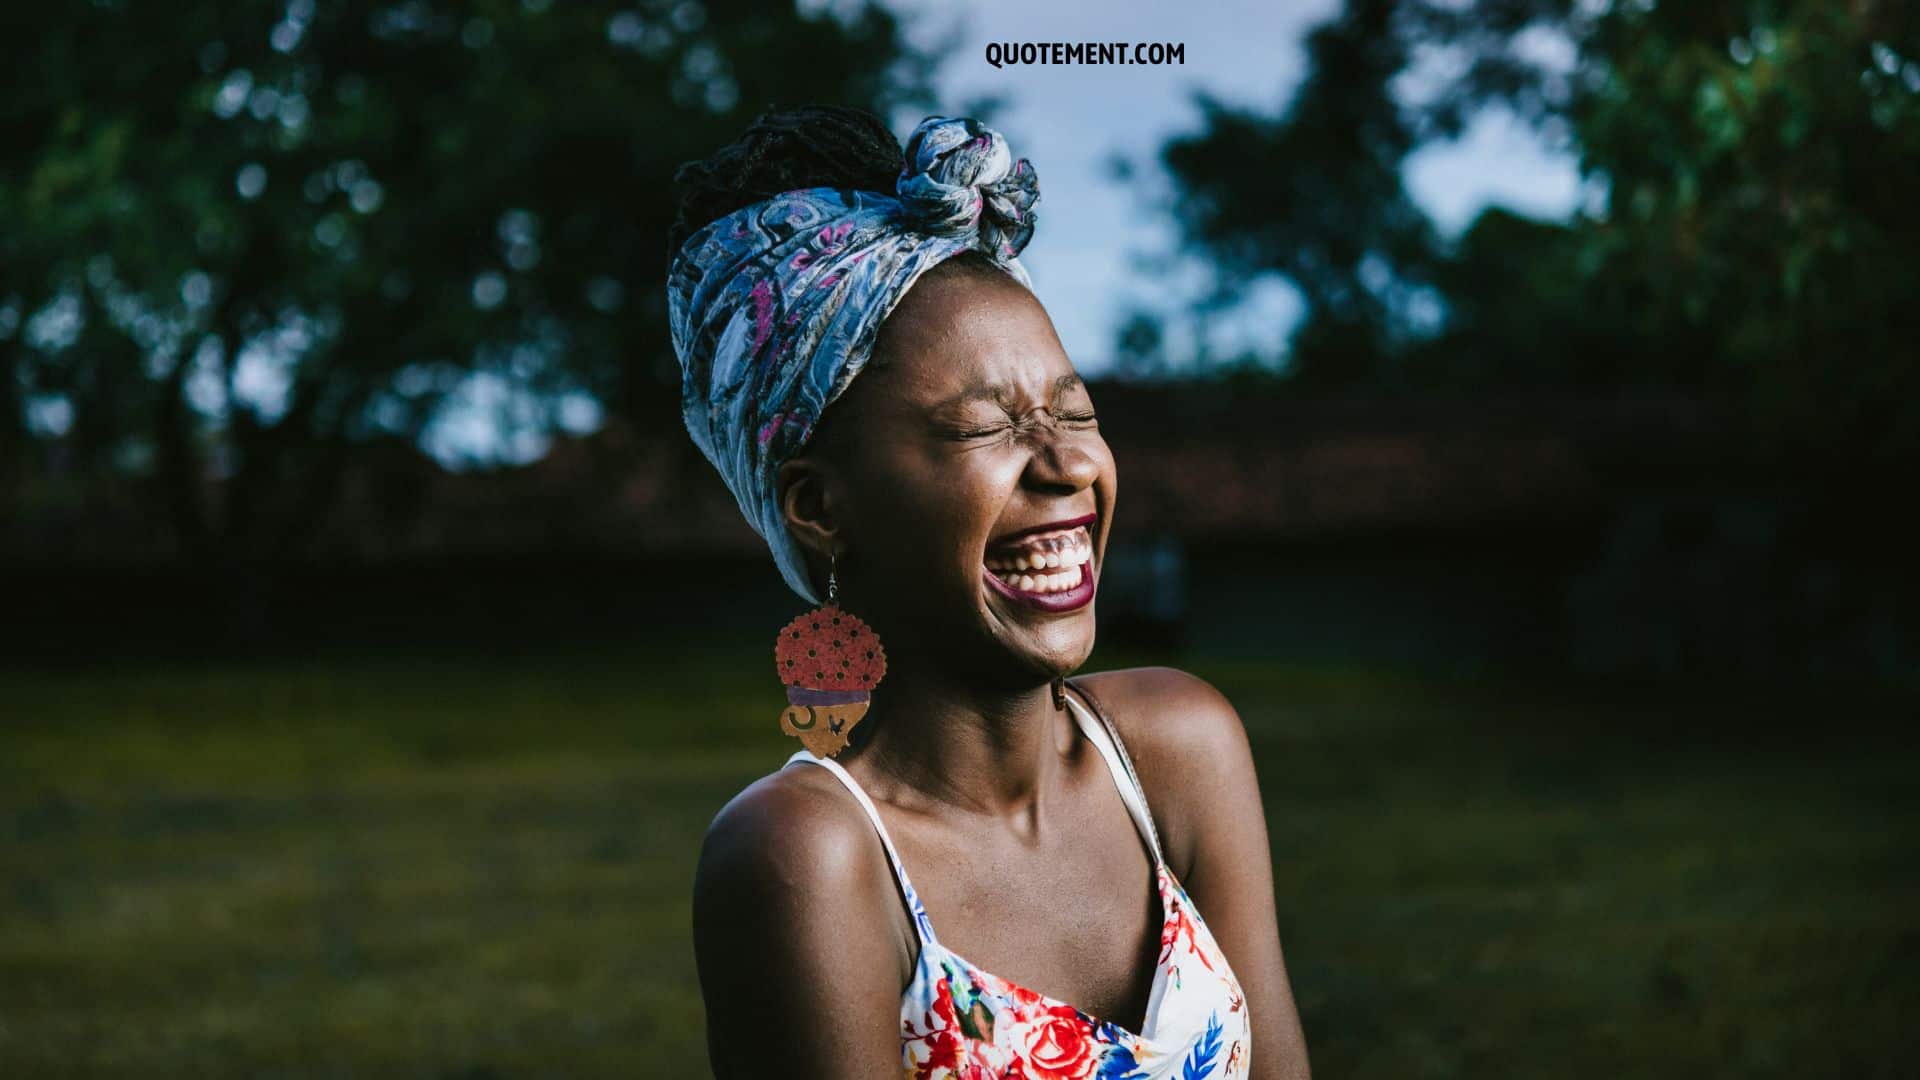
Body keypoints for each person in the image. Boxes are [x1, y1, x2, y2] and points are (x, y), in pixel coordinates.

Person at [670, 104, 1310, 1079]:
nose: (1067, 465)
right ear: (818, 507)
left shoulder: (1181, 752)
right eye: (982, 429)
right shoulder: (809, 860)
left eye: (1076, 411)